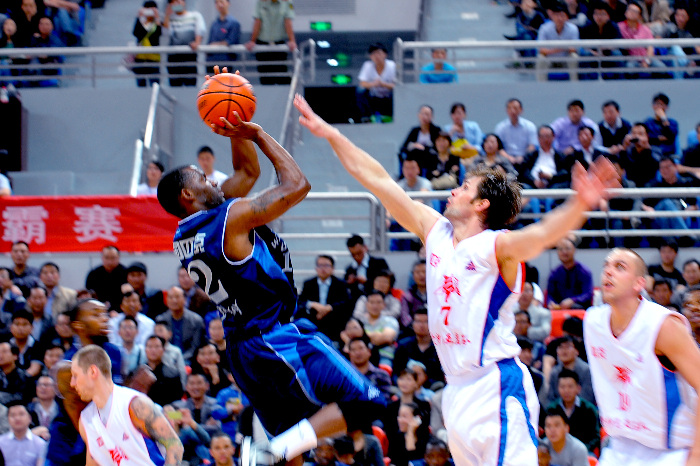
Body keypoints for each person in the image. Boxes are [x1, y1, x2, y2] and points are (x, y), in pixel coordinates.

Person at [294, 94, 619, 466]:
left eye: (464, 188)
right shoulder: (434, 230)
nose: (453, 190)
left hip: (496, 384)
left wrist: (580, 204)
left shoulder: (496, 247)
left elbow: (542, 235)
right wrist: (332, 134)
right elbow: (379, 180)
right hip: (456, 390)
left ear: (481, 204)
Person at [157, 96, 386, 466]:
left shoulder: (185, 234)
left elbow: (248, 173)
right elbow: (297, 185)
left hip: (241, 351)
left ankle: (275, 453)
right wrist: (259, 134)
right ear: (188, 194)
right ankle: (268, 453)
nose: (212, 179)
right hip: (274, 336)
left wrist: (234, 124)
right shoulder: (229, 218)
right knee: (366, 401)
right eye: (202, 178)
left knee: (293, 451)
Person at [589, 249, 700, 463]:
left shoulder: (664, 326)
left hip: (670, 450)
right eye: (606, 266)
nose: (608, 272)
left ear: (639, 283)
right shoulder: (592, 322)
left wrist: (696, 455)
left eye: (619, 267)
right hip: (619, 446)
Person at [70, 344, 184, 464]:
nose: (72, 383)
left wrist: (177, 415)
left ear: (93, 372)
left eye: (75, 376)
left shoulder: (135, 404)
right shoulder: (86, 420)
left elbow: (175, 446)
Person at [298, 254, 352, 345]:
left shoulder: (340, 284)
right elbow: (301, 301)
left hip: (333, 321)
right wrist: (312, 304)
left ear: (333, 268)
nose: (323, 269)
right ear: (316, 268)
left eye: (326, 266)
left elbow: (347, 303)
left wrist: (329, 307)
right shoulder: (309, 283)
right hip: (314, 319)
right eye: (320, 265)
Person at [543, 369, 600, 453]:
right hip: (557, 451)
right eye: (562, 387)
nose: (566, 390)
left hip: (584, 451)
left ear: (578, 388)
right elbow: (546, 434)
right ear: (558, 388)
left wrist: (582, 450)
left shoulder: (589, 409)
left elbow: (595, 437)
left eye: (570, 386)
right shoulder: (552, 408)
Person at [244, 0, 296, 85]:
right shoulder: (261, 2)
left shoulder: (287, 2)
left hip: (279, 44)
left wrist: (292, 40)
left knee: (282, 77)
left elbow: (288, 22)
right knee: (265, 78)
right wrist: (252, 41)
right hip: (262, 44)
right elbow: (257, 22)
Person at [156, 286, 205, 363]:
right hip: (167, 359)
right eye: (171, 297)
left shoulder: (196, 320)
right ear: (166, 300)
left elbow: (195, 346)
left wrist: (180, 359)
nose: (174, 300)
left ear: (185, 299)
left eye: (177, 297)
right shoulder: (161, 320)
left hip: (190, 359)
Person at [163, 0, 205, 87]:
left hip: (189, 57)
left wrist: (197, 42)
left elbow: (200, 30)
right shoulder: (170, 18)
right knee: (174, 85)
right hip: (174, 59)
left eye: (178, 1)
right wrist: (167, 15)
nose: (176, 4)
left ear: (184, 2)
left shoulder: (195, 16)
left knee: (190, 84)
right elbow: (166, 33)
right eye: (173, 3)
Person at [546, 236, 594, 310]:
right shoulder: (554, 273)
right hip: (559, 310)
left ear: (574, 250)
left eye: (567, 248)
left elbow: (587, 294)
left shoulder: (584, 271)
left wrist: (573, 300)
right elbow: (550, 295)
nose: (564, 252)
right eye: (561, 249)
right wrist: (551, 303)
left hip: (580, 310)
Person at [345, 234, 390, 302]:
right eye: (353, 255)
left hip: (379, 300)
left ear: (365, 248)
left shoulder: (379, 263)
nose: (357, 257)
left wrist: (366, 282)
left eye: (359, 253)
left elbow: (387, 283)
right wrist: (349, 282)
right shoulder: (350, 269)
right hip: (358, 303)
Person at [398, 105, 441, 175]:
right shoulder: (414, 130)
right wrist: (413, 145)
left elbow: (439, 148)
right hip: (414, 157)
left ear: (432, 117)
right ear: (418, 115)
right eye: (422, 114)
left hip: (430, 158)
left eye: (427, 114)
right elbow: (403, 147)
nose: (424, 117)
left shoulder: (436, 130)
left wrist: (424, 148)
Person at [356, 43, 395, 121]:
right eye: (373, 54)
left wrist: (383, 84)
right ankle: (366, 116)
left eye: (379, 53)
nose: (376, 56)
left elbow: (397, 86)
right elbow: (362, 83)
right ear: (370, 56)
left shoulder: (392, 65)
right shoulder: (367, 65)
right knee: (360, 90)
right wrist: (373, 84)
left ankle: (394, 115)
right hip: (373, 96)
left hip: (388, 97)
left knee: (397, 92)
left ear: (385, 54)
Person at [0, 401, 46, 465]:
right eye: (13, 415)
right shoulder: (1, 442)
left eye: (21, 414)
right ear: (8, 419)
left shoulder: (40, 444)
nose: (17, 418)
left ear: (30, 418)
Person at [494, 98, 538, 165]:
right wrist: (509, 158)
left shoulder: (530, 126)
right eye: (510, 108)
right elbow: (498, 148)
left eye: (515, 108)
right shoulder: (500, 127)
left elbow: (532, 146)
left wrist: (523, 157)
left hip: (525, 159)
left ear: (521, 110)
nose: (513, 111)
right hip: (505, 160)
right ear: (506, 110)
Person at [84, 245, 128, 310]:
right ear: (102, 258)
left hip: (121, 309)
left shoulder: (126, 273)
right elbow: (89, 294)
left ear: (118, 258)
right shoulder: (94, 274)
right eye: (107, 258)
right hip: (97, 309)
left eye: (113, 258)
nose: (109, 261)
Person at [132, 0, 162, 88]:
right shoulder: (141, 23)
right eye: (147, 9)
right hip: (140, 58)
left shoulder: (157, 24)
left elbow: (159, 33)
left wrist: (157, 17)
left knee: (155, 84)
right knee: (141, 85)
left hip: (154, 59)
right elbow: (135, 33)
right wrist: (139, 17)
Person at [206, 0, 240, 73]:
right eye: (217, 2)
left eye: (222, 2)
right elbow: (210, 42)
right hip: (212, 62)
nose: (219, 5)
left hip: (226, 62)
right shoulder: (214, 23)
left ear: (228, 3)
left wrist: (215, 45)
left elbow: (230, 41)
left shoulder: (233, 23)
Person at [643, 92, 679, 157]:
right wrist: (660, 138)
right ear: (653, 106)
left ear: (667, 107)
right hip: (652, 153)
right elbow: (648, 139)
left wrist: (664, 119)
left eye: (662, 104)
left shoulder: (673, 123)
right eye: (657, 104)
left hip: (669, 155)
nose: (659, 107)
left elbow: (671, 138)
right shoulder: (647, 122)